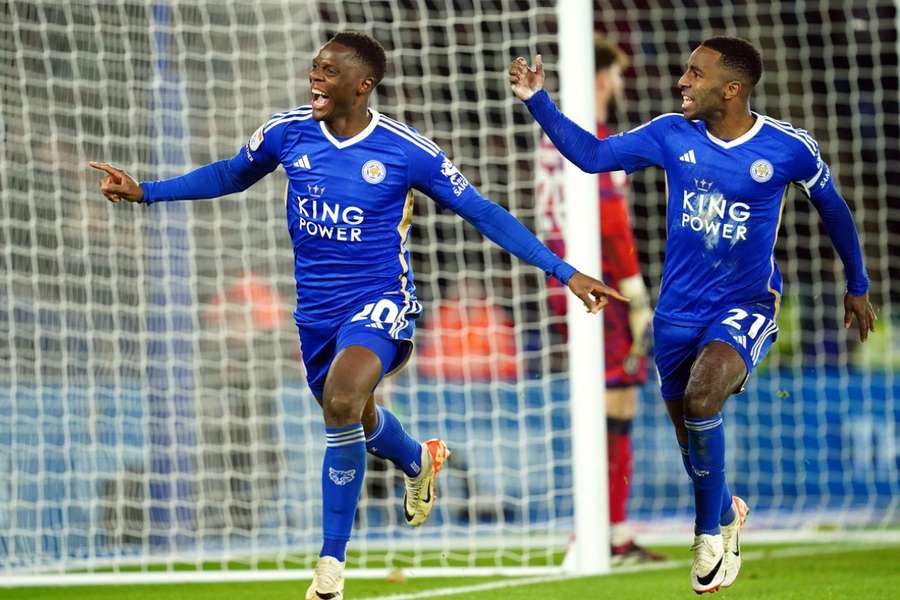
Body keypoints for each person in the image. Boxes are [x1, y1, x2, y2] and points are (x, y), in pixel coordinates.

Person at [90, 31, 625, 600]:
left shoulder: (405, 149)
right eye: (314, 68)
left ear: (363, 85)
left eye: (328, 71)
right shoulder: (285, 132)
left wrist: (563, 271)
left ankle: (329, 569)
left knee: (342, 401)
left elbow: (483, 212)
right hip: (316, 314)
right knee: (353, 415)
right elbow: (228, 174)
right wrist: (147, 191)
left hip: (382, 303)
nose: (314, 78)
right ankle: (418, 458)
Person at [510, 37, 875, 593]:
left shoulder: (787, 148)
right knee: (691, 440)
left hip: (746, 304)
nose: (682, 82)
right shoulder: (669, 133)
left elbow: (833, 207)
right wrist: (538, 99)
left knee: (705, 398)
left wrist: (858, 283)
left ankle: (707, 536)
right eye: (685, 71)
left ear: (732, 90)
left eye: (695, 74)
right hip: (677, 313)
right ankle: (726, 511)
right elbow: (591, 156)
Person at [535, 36, 662, 564]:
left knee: (610, 399)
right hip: (600, 282)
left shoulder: (553, 140)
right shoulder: (596, 140)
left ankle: (607, 529)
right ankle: (600, 531)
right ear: (601, 78)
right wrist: (634, 289)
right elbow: (610, 220)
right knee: (616, 400)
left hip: (563, 275)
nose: (618, 85)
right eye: (615, 75)